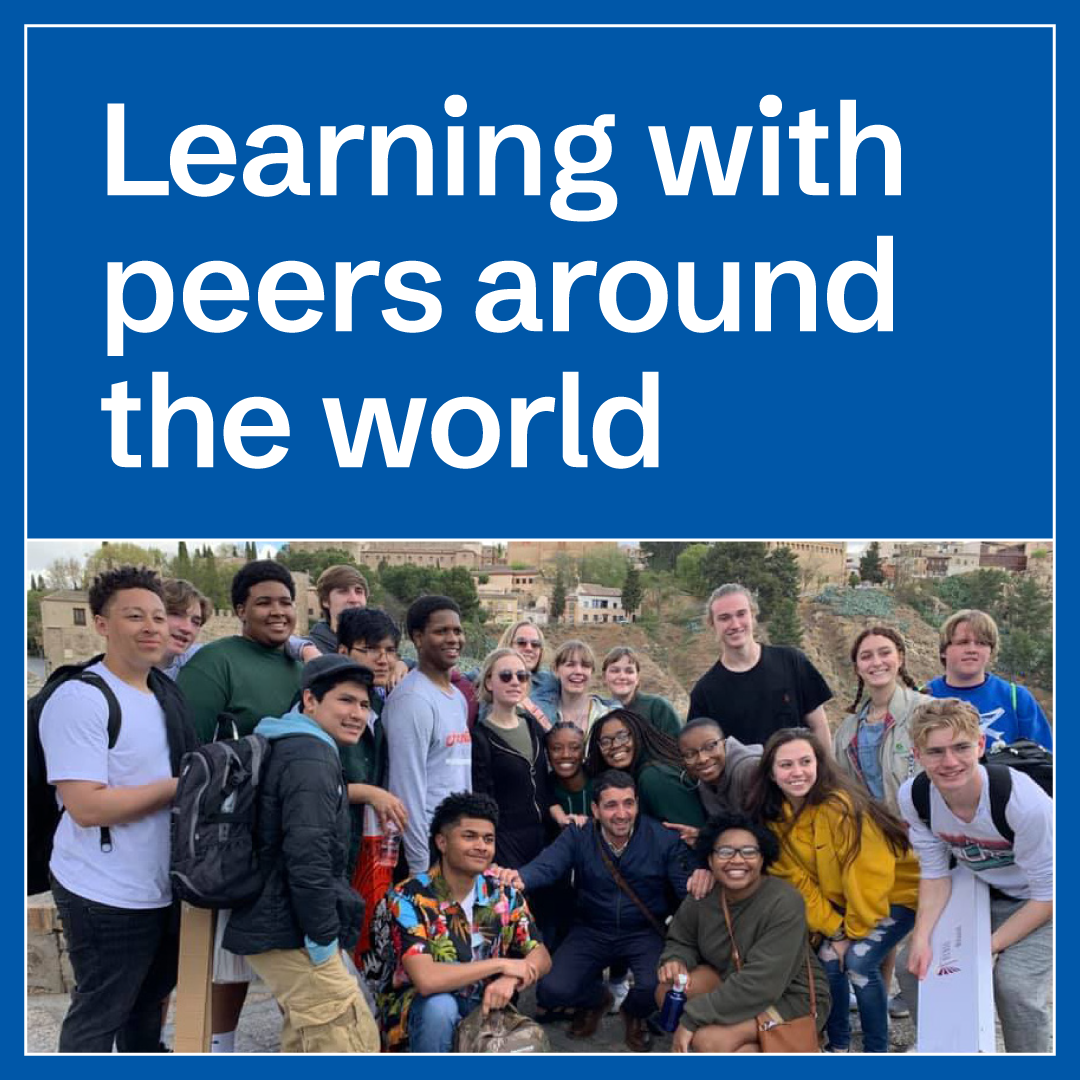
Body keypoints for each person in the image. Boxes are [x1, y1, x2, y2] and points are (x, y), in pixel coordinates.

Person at [39, 567, 196, 1051]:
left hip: (160, 885)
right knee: (101, 1012)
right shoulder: (81, 699)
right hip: (102, 890)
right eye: (134, 616)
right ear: (102, 623)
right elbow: (86, 806)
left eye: (158, 616)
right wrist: (178, 787)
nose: (152, 627)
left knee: (147, 1009)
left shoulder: (164, 693)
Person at [176, 560, 305, 1052]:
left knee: (292, 951)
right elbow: (188, 751)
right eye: (265, 602)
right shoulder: (216, 661)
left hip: (292, 829)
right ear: (240, 610)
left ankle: (304, 1043)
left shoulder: (303, 664)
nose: (278, 612)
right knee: (225, 957)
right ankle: (219, 1049)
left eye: (285, 602)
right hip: (234, 834)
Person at [222, 655, 380, 1053]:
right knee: (350, 1040)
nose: (357, 714)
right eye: (345, 701)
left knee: (307, 1037)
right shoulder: (309, 755)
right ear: (310, 700)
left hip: (281, 923)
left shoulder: (296, 745)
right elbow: (307, 857)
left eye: (364, 705)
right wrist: (324, 940)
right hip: (293, 930)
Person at [747, 728, 919, 1053]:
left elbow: (869, 879)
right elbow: (797, 883)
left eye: (805, 761)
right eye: (786, 765)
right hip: (842, 904)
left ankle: (875, 1050)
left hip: (895, 897)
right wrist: (835, 932)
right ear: (770, 772)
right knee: (829, 958)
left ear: (819, 763)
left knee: (858, 962)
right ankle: (837, 1046)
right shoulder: (772, 820)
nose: (797, 772)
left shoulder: (844, 807)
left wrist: (851, 934)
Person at [897, 698, 1053, 1053]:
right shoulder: (916, 796)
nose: (950, 762)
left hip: (1043, 899)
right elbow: (935, 874)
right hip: (987, 888)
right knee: (914, 970)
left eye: (961, 747)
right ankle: (945, 1049)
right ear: (918, 755)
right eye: (935, 752)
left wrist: (986, 949)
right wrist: (921, 937)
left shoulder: (1023, 802)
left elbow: (1049, 896)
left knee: (1014, 986)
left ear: (980, 745)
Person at [500, 770, 695, 1052]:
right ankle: (596, 999)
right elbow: (547, 866)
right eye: (611, 805)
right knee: (552, 990)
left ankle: (634, 1012)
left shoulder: (661, 838)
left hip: (642, 930)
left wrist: (703, 877)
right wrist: (519, 877)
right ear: (595, 809)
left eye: (628, 803)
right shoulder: (579, 835)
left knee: (657, 985)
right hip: (592, 928)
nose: (621, 813)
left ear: (637, 804)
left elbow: (685, 887)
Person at [367, 792, 551, 1052]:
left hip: (486, 1008)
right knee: (441, 1007)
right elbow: (427, 979)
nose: (481, 846)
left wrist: (511, 979)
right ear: (442, 842)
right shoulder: (409, 898)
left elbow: (541, 955)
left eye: (488, 839)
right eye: (469, 836)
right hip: (418, 1012)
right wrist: (503, 964)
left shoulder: (501, 893)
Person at [657, 813, 829, 1053]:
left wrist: (692, 1019)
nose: (737, 860)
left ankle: (775, 1047)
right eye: (725, 852)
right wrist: (675, 960)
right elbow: (681, 939)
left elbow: (761, 983)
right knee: (669, 991)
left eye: (748, 852)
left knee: (709, 1041)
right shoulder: (704, 894)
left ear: (762, 859)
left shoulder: (784, 901)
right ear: (710, 858)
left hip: (788, 995)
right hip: (733, 980)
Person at [335, 608, 408, 956]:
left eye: (391, 651)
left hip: (369, 843)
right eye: (371, 649)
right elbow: (309, 786)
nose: (384, 660)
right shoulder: (324, 705)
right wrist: (369, 792)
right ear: (343, 652)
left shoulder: (378, 700)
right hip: (336, 847)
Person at [385, 595, 472, 876]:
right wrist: (420, 866)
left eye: (457, 630)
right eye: (441, 631)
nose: (453, 638)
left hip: (454, 841)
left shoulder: (457, 697)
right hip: (424, 849)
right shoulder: (412, 700)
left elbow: (459, 775)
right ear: (418, 638)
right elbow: (406, 789)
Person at [688, 583, 833, 751]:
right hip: (742, 778)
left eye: (741, 614)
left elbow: (819, 727)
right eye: (724, 618)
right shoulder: (704, 692)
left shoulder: (792, 662)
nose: (735, 624)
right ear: (712, 624)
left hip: (798, 775)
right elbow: (704, 754)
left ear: (753, 616)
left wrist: (828, 775)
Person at [834, 626, 932, 815]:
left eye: (885, 653)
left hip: (925, 833)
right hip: (872, 836)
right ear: (857, 668)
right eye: (866, 656)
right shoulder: (845, 733)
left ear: (900, 658)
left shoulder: (927, 712)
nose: (876, 662)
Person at [471, 648, 553, 868]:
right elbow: (481, 797)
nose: (515, 681)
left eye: (522, 676)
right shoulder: (480, 737)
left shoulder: (533, 725)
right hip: (507, 846)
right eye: (506, 676)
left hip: (545, 840)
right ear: (489, 682)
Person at [926, 609, 1052, 749]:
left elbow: (1044, 761)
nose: (972, 649)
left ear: (991, 651)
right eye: (963, 642)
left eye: (981, 643)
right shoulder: (922, 698)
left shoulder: (1017, 699)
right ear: (944, 650)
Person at [585, 708, 704, 830]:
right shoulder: (632, 775)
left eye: (622, 736)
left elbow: (692, 834)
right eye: (605, 742)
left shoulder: (655, 777)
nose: (615, 745)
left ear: (639, 734)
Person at [678, 716, 761, 820]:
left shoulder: (749, 769)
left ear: (724, 743)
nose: (702, 759)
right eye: (690, 754)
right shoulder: (703, 783)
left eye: (710, 747)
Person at [533, 639, 615, 735]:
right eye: (570, 665)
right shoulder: (542, 715)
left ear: (592, 672)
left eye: (585, 666)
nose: (578, 671)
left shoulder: (606, 716)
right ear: (555, 670)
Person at [601, 646, 682, 738]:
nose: (622, 676)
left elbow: (677, 746)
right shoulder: (600, 712)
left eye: (629, 671)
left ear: (637, 678)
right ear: (604, 677)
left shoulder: (658, 708)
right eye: (615, 671)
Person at [492, 618, 559, 727]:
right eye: (521, 643)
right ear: (508, 645)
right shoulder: (486, 677)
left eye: (535, 644)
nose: (529, 648)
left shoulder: (550, 682)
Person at [308, 564, 370, 654]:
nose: (354, 599)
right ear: (325, 600)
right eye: (343, 591)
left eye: (358, 591)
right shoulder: (307, 650)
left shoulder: (379, 649)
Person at [546, 721, 589, 828]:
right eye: (557, 748)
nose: (565, 755)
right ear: (547, 753)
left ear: (583, 752)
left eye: (574, 748)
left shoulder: (600, 782)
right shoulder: (544, 787)